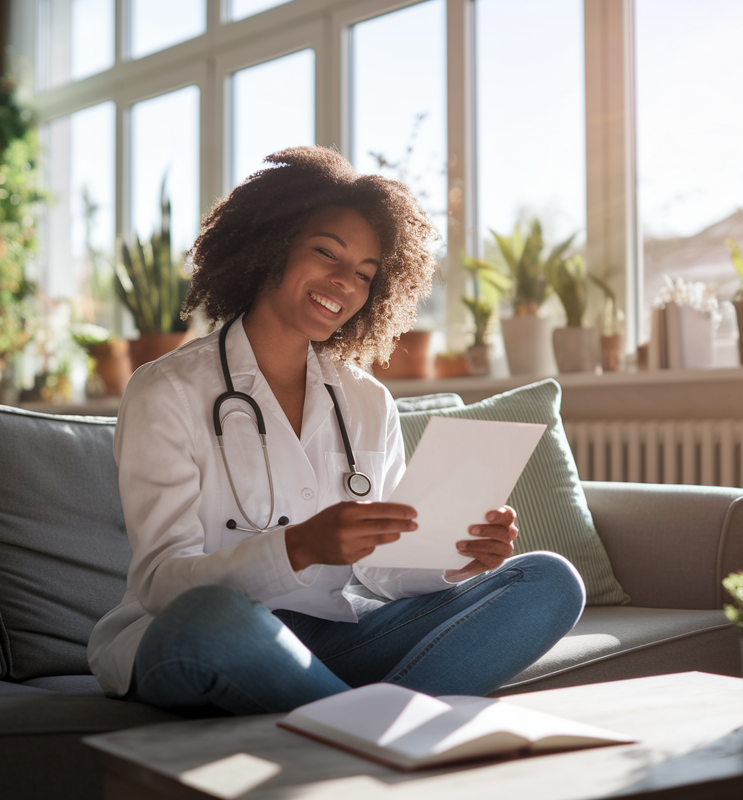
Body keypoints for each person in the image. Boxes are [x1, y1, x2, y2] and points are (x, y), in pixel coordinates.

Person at [86, 146, 585, 715]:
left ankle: (340, 723)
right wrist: (300, 547)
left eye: (366, 275)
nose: (344, 282)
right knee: (210, 616)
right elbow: (161, 584)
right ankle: (374, 725)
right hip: (201, 636)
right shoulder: (166, 391)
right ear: (269, 246)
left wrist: (455, 557)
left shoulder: (367, 400)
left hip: (329, 640)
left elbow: (380, 568)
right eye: (327, 253)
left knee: (547, 582)